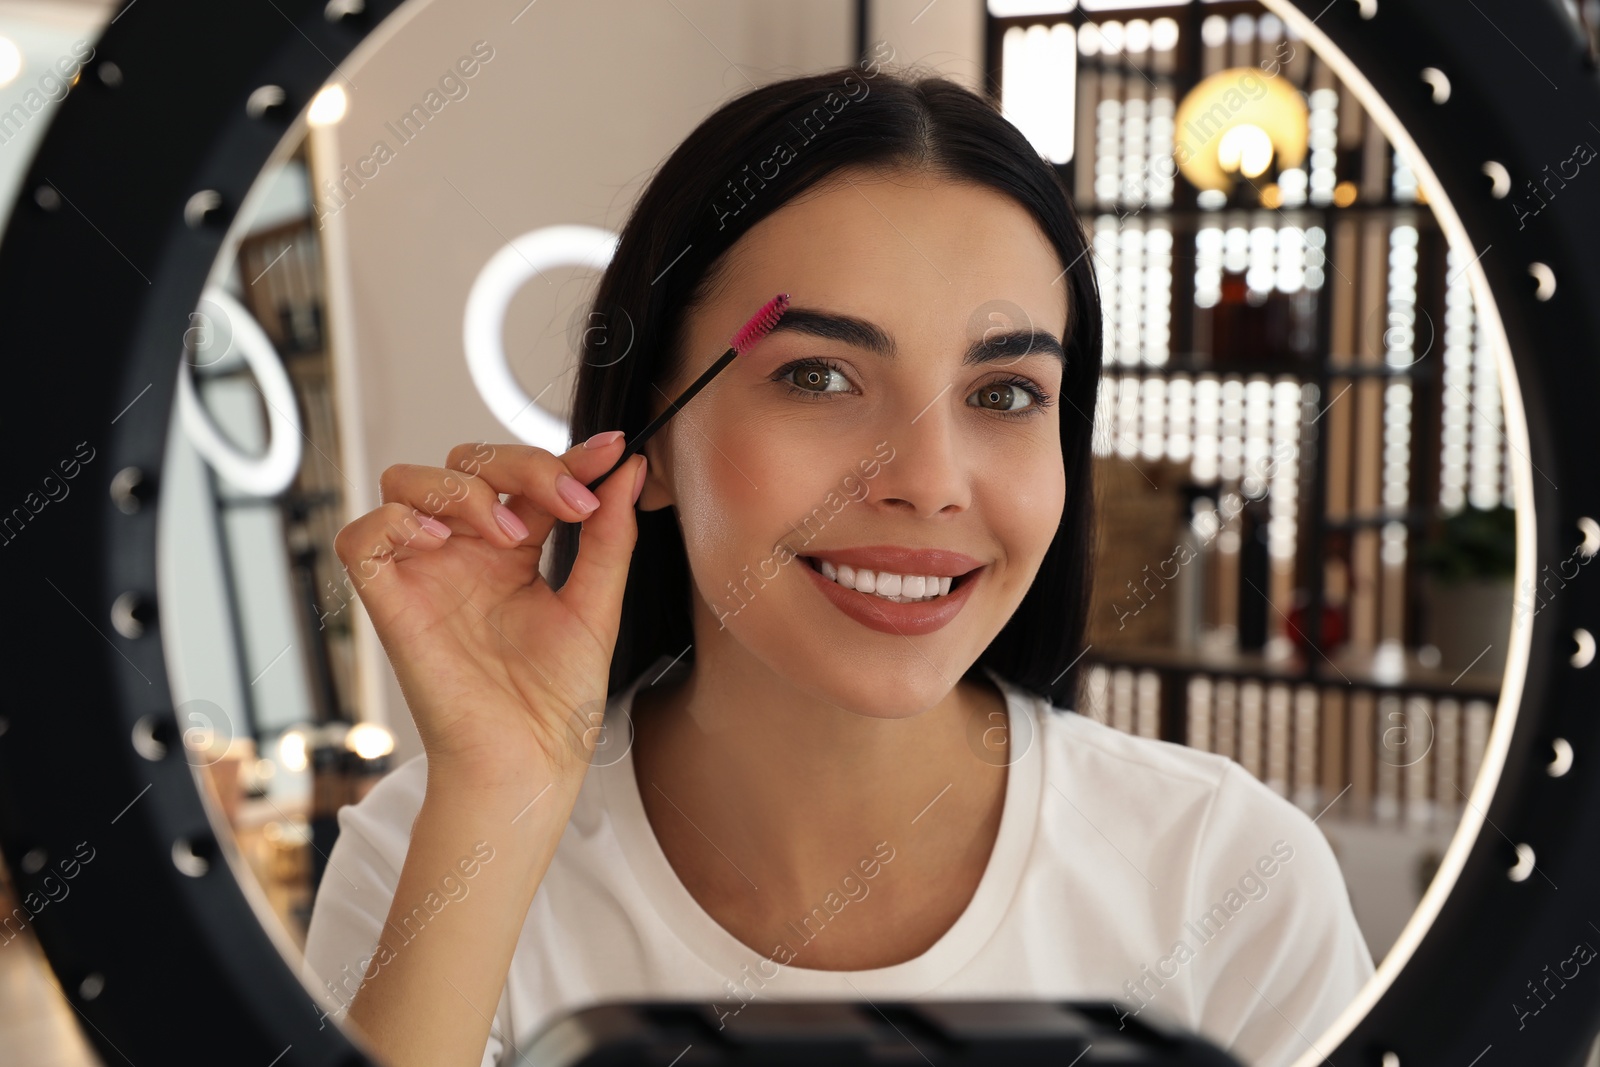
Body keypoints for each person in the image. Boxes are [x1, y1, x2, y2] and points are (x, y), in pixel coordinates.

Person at [301, 56, 1374, 1067]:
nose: (930, 478)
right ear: (649, 439)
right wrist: (497, 791)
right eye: (818, 376)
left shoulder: (1227, 873)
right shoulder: (432, 849)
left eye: (1003, 393)